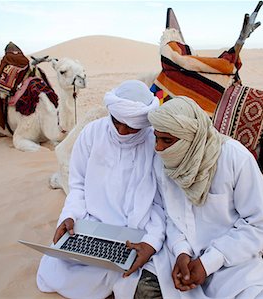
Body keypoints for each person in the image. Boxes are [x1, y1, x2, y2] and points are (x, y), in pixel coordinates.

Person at [36, 80, 165, 299]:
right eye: (117, 122)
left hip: (135, 233)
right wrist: (69, 216)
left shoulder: (155, 143)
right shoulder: (92, 133)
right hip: (89, 226)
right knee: (57, 268)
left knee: (140, 280)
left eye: (131, 126)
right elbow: (77, 186)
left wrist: (151, 242)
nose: (122, 131)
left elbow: (162, 204)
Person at [148, 96, 263, 299]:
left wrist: (209, 263)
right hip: (185, 262)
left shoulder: (235, 159)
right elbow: (171, 216)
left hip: (235, 263)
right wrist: (181, 251)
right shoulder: (163, 164)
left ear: (192, 137)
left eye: (167, 140)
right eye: (156, 138)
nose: (158, 148)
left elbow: (258, 225)